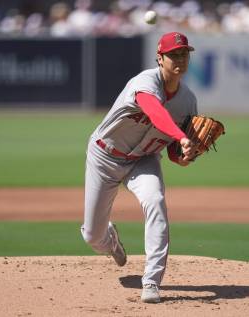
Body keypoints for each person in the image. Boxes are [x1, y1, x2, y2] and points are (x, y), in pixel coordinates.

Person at [81, 31, 197, 304]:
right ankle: (110, 241)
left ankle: (152, 282)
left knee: (155, 200)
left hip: (143, 160)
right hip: (104, 156)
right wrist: (182, 136)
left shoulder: (188, 101)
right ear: (160, 58)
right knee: (93, 237)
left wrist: (185, 154)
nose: (180, 58)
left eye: (184, 53)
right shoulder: (144, 81)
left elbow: (173, 154)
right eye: (174, 54)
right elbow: (155, 111)